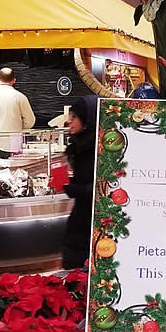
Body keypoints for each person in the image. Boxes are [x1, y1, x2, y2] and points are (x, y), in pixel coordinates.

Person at [62, 95, 98, 269]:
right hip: (80, 219)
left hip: (93, 225)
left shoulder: (97, 149)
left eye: (74, 117)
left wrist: (74, 189)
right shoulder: (81, 144)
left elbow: (101, 190)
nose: (69, 121)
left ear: (88, 119)